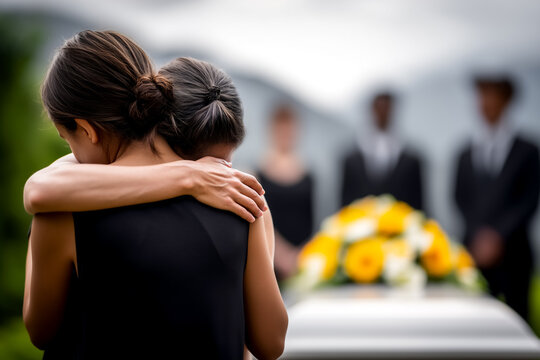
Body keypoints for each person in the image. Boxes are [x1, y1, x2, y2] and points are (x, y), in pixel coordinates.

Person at [23, 30, 287, 359]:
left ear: (87, 130)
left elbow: (40, 330)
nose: (71, 155)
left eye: (68, 140)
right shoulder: (237, 196)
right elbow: (269, 343)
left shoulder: (63, 209)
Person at [454, 74, 540, 322]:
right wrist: (478, 235)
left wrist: (498, 236)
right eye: (481, 95)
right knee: (475, 326)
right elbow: (460, 199)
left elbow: (529, 200)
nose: (485, 102)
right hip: (474, 256)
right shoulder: (464, 152)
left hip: (515, 256)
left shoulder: (528, 150)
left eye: (492, 95)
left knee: (518, 321)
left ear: (507, 100)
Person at [256, 105, 314, 280]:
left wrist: (300, 255)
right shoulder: (258, 172)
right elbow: (260, 217)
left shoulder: (308, 173)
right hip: (269, 258)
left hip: (302, 260)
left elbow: (310, 218)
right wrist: (281, 256)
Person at [341, 91, 424, 210]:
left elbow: (418, 203)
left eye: (387, 107)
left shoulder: (411, 160)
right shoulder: (351, 160)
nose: (383, 112)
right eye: (379, 107)